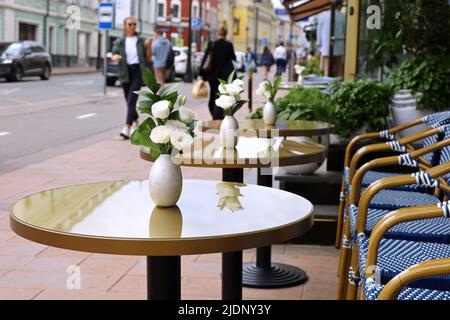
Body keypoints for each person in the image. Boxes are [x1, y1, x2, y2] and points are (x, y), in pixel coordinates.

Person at [111, 16, 152, 139]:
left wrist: (149, 46)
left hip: (137, 72)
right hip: (124, 71)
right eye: (130, 24)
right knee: (128, 100)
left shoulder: (141, 41)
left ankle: (127, 128)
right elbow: (113, 53)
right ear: (124, 26)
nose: (133, 26)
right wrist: (115, 57)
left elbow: (148, 57)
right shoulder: (120, 41)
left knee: (131, 100)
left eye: (134, 24)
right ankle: (136, 121)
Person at [199, 25, 236, 120]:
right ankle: (220, 116)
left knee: (213, 95)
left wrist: (201, 74)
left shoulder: (212, 44)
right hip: (225, 76)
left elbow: (205, 59)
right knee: (223, 95)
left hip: (213, 76)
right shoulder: (229, 45)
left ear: (217, 33)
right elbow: (233, 57)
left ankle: (216, 116)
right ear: (226, 34)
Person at [316, 0, 345, 77]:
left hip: (326, 45)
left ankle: (327, 83)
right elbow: (345, 31)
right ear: (339, 6)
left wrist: (319, 44)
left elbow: (319, 31)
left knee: (327, 69)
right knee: (339, 68)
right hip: (339, 44)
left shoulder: (323, 15)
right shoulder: (342, 17)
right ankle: (339, 84)